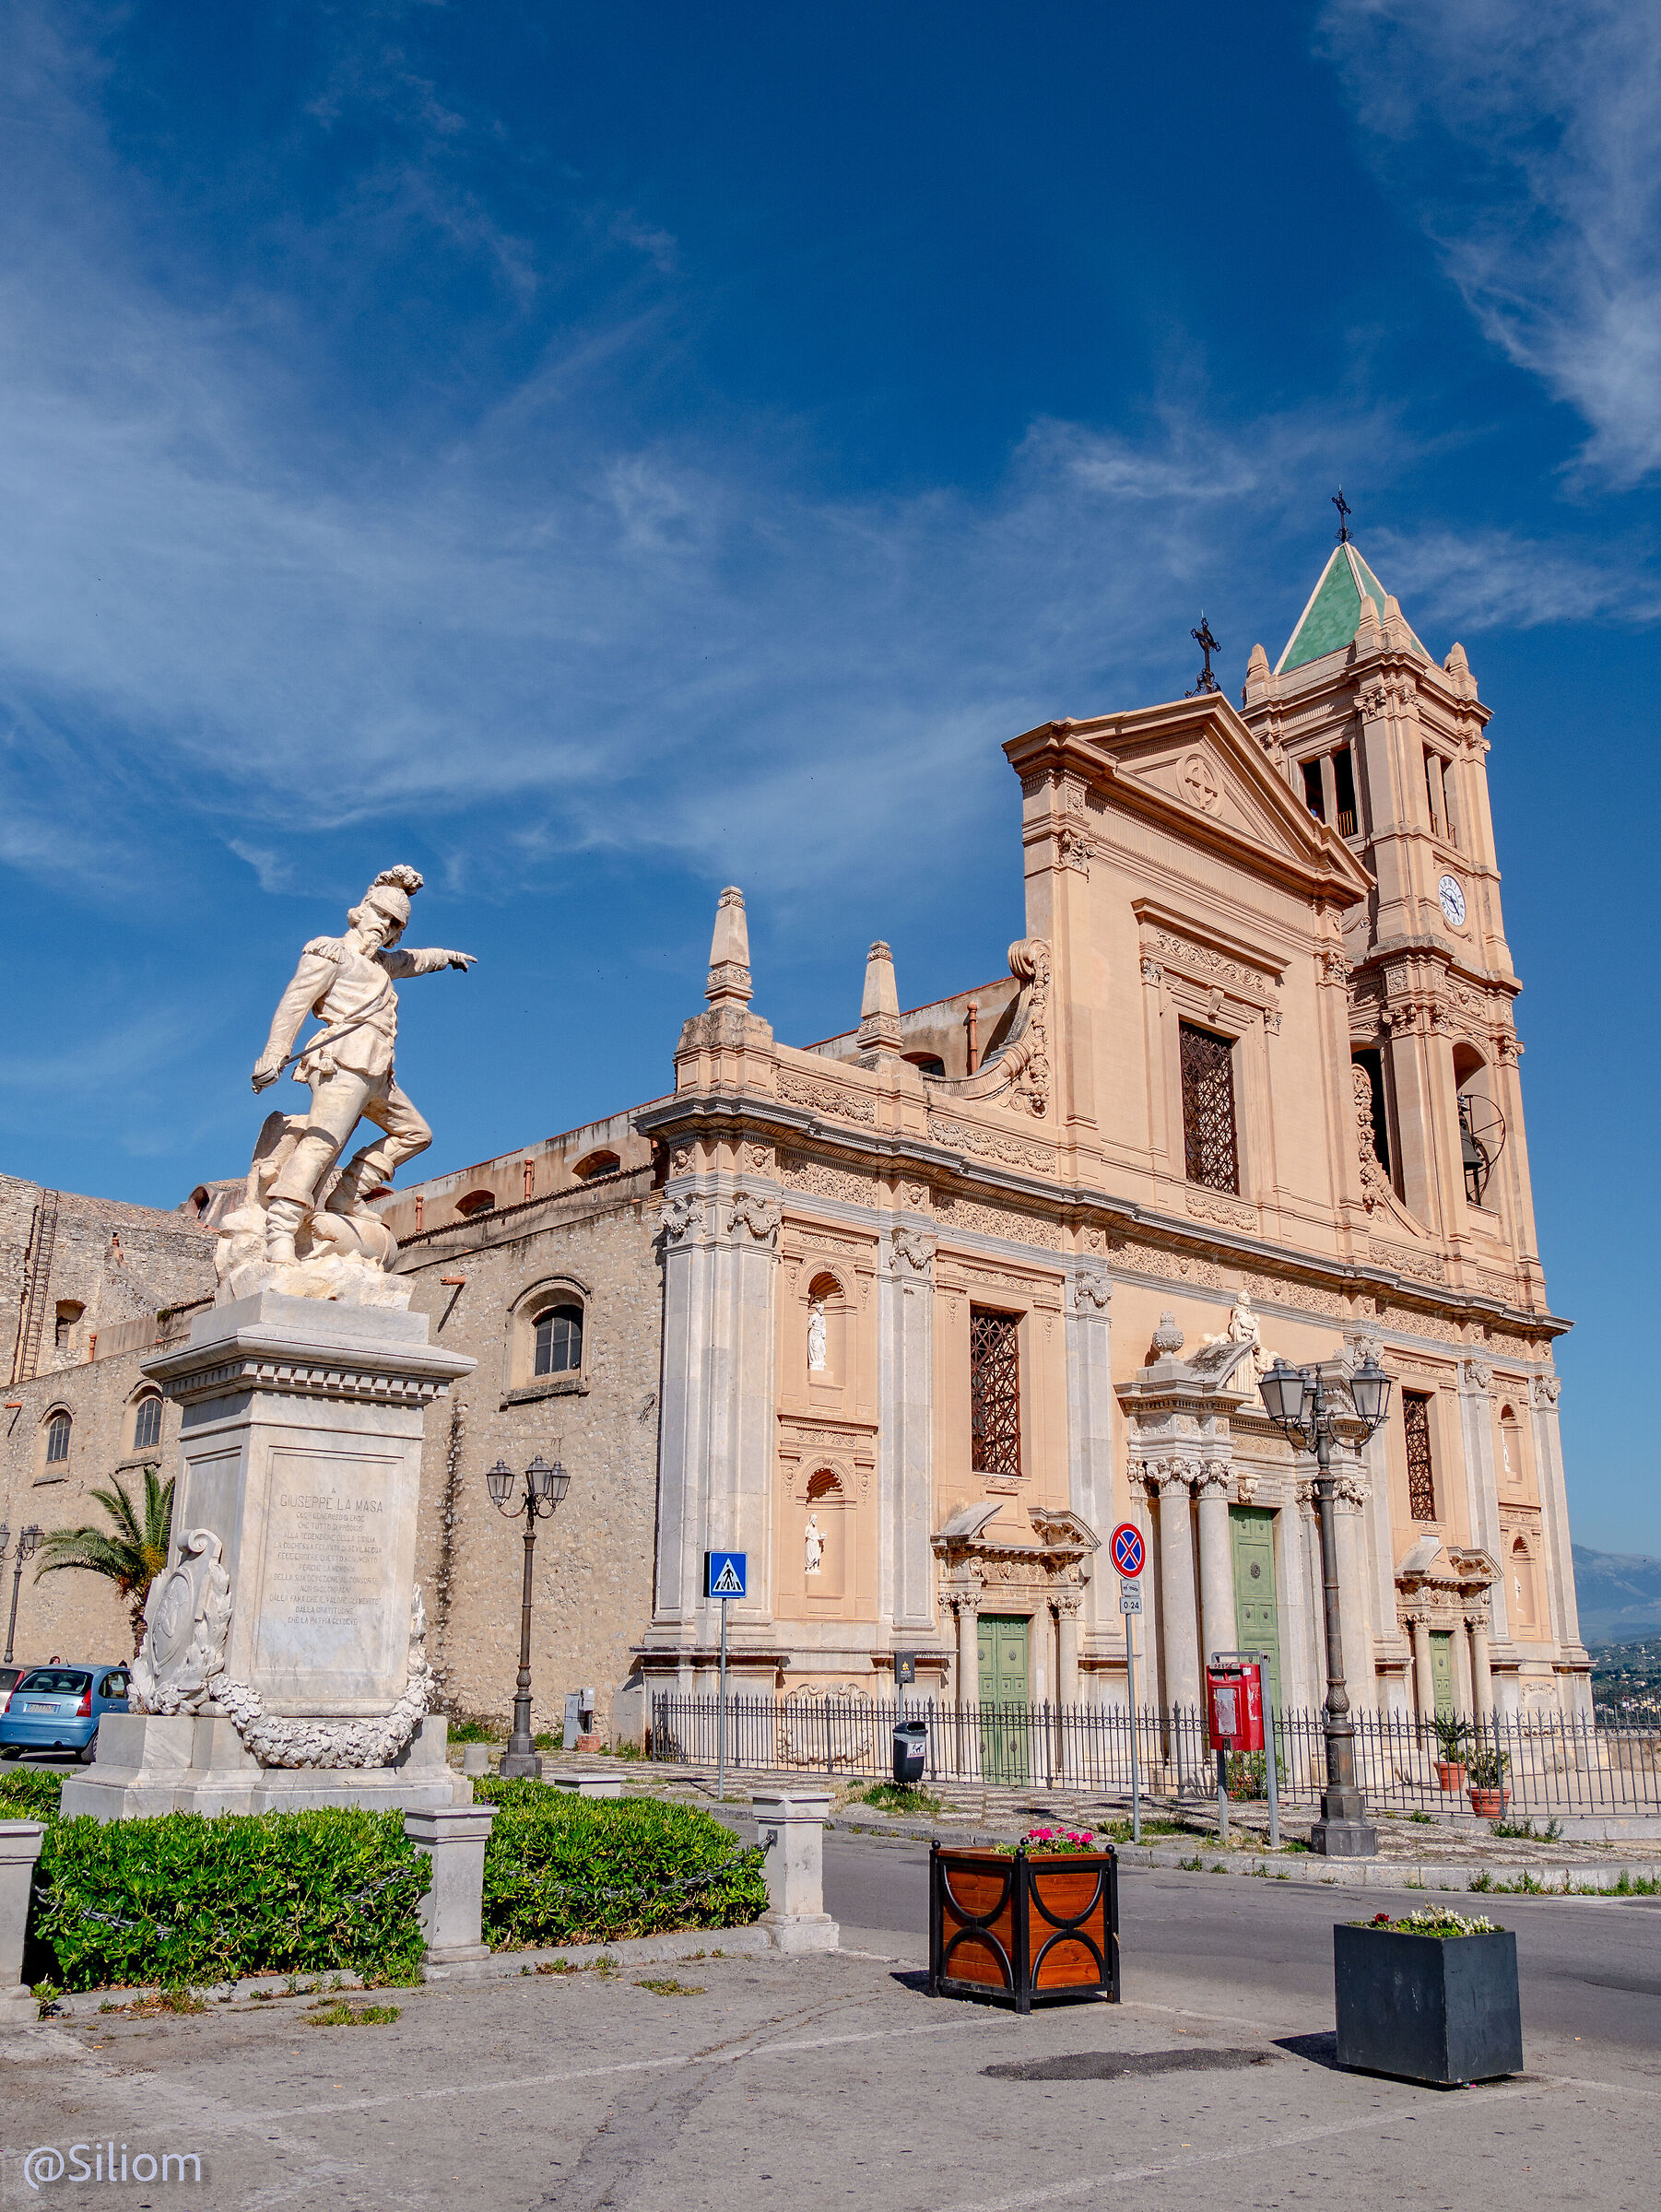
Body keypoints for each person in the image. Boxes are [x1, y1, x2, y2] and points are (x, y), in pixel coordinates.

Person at [251, 865, 476, 1263]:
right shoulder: (329, 952)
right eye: (381, 915)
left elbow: (415, 960)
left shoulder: (382, 965)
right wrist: (274, 1054)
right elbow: (294, 1004)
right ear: (361, 910)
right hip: (343, 1057)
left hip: (378, 1068)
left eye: (395, 924)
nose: (385, 927)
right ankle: (281, 1230)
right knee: (323, 1143)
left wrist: (447, 956)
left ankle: (346, 1194)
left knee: (416, 1133)